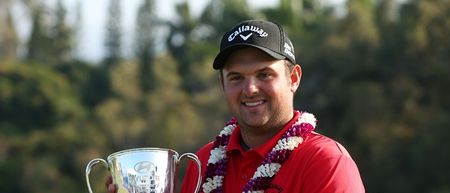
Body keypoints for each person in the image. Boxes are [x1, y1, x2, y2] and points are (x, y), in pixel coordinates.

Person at [106, 19, 365, 193]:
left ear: (293, 78)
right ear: (222, 85)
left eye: (265, 74)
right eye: (236, 77)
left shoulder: (326, 162)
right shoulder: (205, 160)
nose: (250, 89)